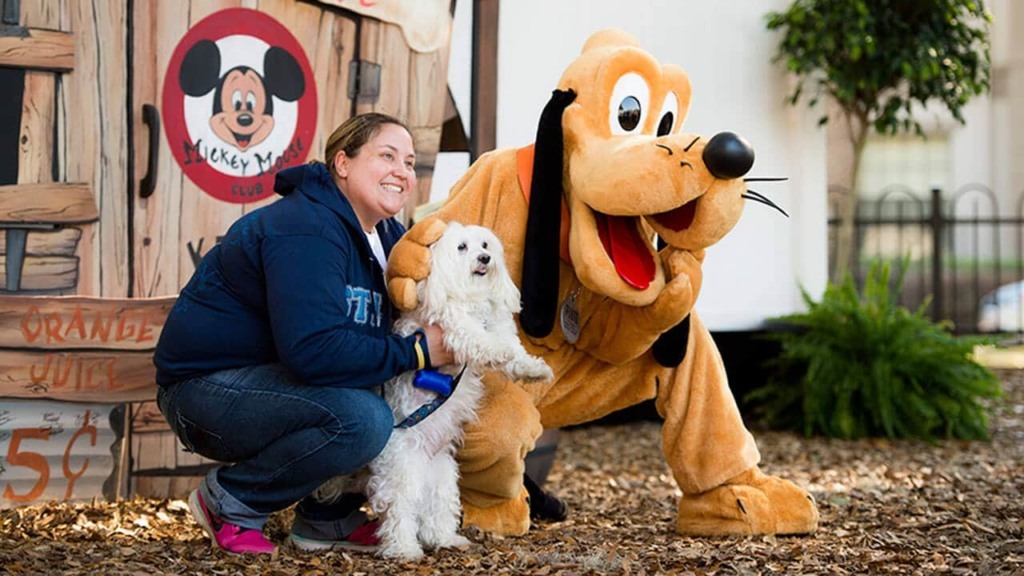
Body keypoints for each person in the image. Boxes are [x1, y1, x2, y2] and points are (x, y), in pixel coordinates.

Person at [153, 112, 453, 555]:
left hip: (273, 385)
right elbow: (314, 352)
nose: (401, 172)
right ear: (343, 163)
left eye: (409, 162)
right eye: (386, 156)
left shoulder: (389, 236)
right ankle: (232, 501)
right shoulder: (305, 227)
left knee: (381, 389)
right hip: (206, 392)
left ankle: (326, 517)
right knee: (364, 419)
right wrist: (419, 353)